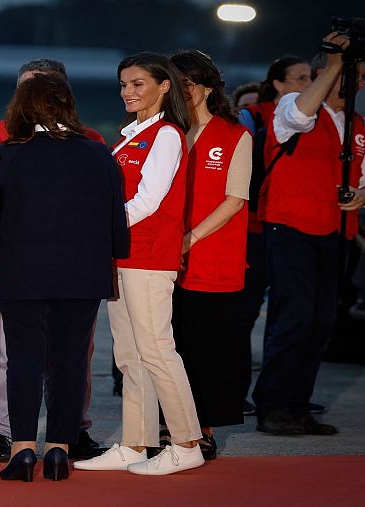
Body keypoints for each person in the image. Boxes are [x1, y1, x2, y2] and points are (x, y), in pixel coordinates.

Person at [0, 73, 128, 483]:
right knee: (70, 362)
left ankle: (21, 450)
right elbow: (114, 217)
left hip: (19, 271)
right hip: (81, 272)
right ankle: (58, 451)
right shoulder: (97, 153)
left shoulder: (5, 155)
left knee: (23, 361)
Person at [74, 52, 204, 476]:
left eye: (137, 83)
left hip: (148, 257)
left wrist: (100, 229)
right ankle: (135, 443)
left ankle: (187, 443)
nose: (127, 92)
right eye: (123, 84)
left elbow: (149, 200)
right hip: (123, 256)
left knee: (157, 351)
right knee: (130, 355)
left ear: (164, 86)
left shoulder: (166, 134)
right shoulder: (131, 135)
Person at [254, 33, 365, 436]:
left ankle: (298, 405)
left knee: (320, 322)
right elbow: (298, 118)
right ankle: (273, 405)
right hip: (290, 226)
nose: (358, 84)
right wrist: (335, 63)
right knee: (293, 318)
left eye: (361, 77)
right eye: (352, 75)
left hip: (336, 232)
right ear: (327, 74)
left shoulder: (361, 125)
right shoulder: (294, 104)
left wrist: (364, 195)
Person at [166, 50, 252, 460]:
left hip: (213, 257)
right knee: (169, 345)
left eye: (190, 82)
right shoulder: (164, 132)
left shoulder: (235, 135)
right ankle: (169, 426)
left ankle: (202, 428)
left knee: (207, 348)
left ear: (208, 87)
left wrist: (189, 238)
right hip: (162, 259)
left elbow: (235, 199)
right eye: (176, 83)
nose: (184, 90)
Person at [234, 56, 311, 417]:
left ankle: (284, 392)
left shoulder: (320, 117)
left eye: (310, 77)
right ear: (277, 83)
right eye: (300, 78)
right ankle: (235, 392)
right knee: (245, 312)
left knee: (289, 312)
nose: (308, 84)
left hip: (291, 228)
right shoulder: (255, 116)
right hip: (253, 226)